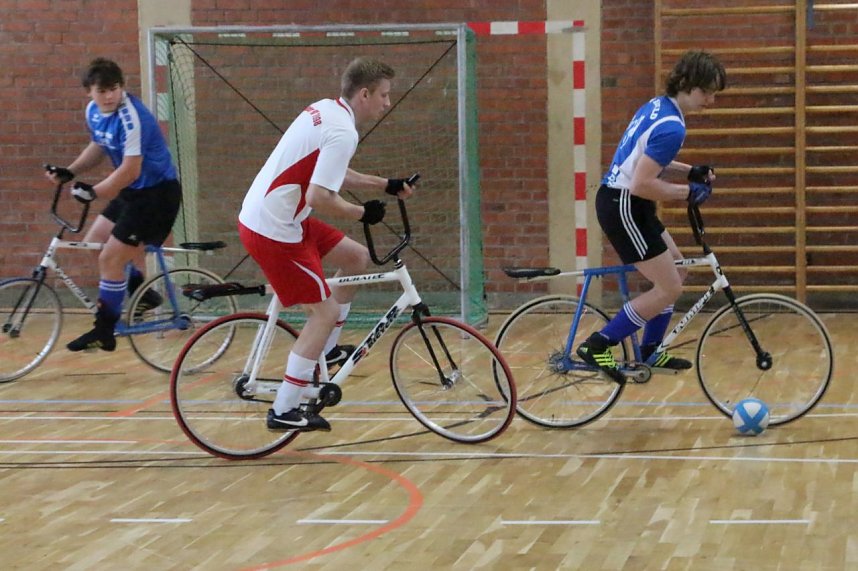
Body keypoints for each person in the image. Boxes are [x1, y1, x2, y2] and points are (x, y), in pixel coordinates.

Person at [238, 57, 417, 432]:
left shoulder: (326, 109)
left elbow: (331, 171)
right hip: (273, 230)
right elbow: (320, 195)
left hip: (282, 217)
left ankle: (328, 351)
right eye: (383, 95)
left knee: (356, 258)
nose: (387, 103)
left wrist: (385, 184)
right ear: (364, 93)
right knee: (323, 311)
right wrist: (360, 213)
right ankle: (285, 408)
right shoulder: (343, 131)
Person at [576, 50, 727, 383]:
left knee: (676, 269)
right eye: (707, 92)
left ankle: (650, 352)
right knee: (668, 287)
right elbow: (643, 183)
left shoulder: (659, 106)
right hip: (624, 205)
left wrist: (690, 172)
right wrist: (687, 192)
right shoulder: (672, 127)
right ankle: (598, 343)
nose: (711, 100)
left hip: (627, 202)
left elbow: (645, 158)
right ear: (687, 85)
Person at [45, 58, 182, 352]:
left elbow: (130, 170)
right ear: (89, 92)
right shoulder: (94, 111)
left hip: (157, 195)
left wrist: (94, 191)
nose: (109, 96)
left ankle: (104, 331)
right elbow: (99, 145)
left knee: (110, 258)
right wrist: (71, 172)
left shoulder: (132, 118)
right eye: (102, 91)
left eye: (114, 89)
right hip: (133, 192)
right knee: (94, 242)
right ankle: (140, 291)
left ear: (122, 87)